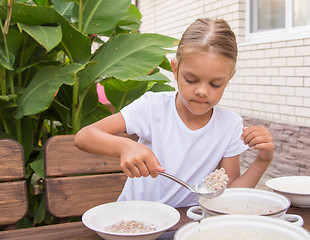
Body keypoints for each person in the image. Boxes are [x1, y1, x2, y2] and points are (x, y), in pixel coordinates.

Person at [74, 18, 274, 208]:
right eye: (191, 79)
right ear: (176, 70)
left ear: (229, 78)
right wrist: (124, 146)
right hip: (137, 219)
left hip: (188, 223)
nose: (202, 91)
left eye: (215, 84)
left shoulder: (230, 125)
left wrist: (263, 159)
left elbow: (227, 196)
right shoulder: (153, 107)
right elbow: (84, 136)